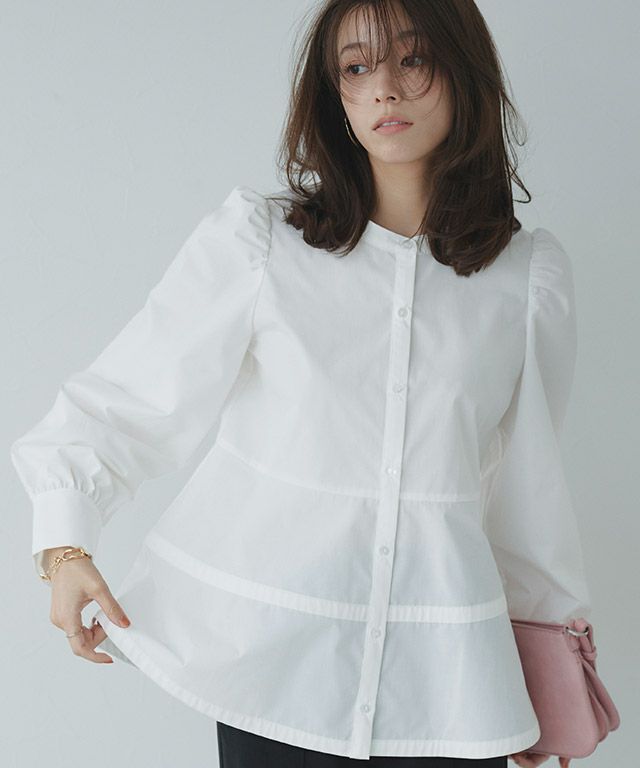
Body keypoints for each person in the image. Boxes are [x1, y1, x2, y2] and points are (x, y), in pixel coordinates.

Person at [10, 2, 591, 767]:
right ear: (334, 94)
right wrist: (64, 544)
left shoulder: (525, 280)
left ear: (463, 72)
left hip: (445, 687)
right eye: (356, 67)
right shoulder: (262, 247)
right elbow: (127, 398)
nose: (384, 88)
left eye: (413, 59)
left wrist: (544, 667)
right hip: (271, 669)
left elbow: (527, 491)